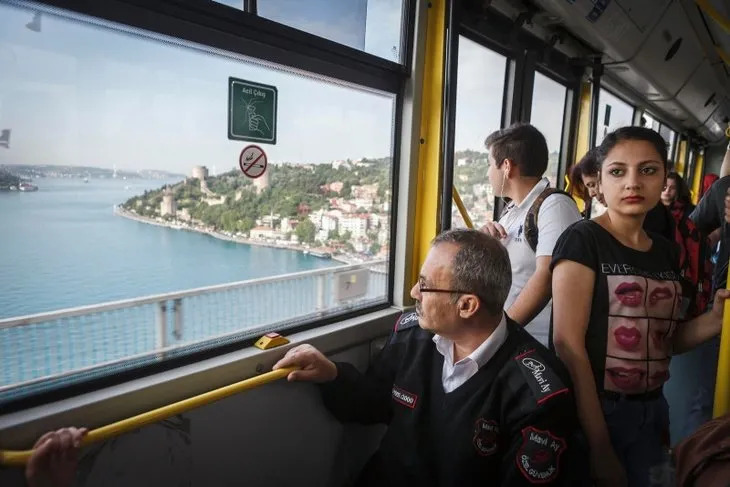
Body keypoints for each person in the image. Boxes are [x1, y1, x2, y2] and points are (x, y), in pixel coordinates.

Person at [274, 229, 584, 486]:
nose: (412, 292)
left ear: (467, 306)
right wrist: (331, 374)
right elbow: (373, 403)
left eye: (425, 285)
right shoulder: (412, 338)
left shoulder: (538, 393)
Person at [550, 126, 730, 487]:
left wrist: (714, 320)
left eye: (648, 170)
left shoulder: (666, 251)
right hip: (597, 412)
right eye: (618, 171)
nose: (633, 182)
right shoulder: (583, 240)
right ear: (598, 182)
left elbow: (665, 341)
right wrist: (600, 445)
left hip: (652, 410)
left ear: (665, 178)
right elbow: (568, 345)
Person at [480, 123, 581, 346]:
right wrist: (483, 243)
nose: (488, 174)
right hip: (513, 341)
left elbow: (547, 276)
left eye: (489, 165)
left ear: (506, 166)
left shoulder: (554, 206)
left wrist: (500, 334)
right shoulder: (511, 212)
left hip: (537, 346)